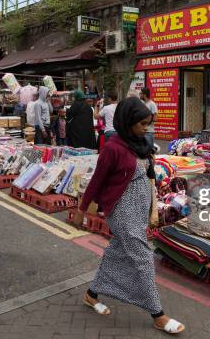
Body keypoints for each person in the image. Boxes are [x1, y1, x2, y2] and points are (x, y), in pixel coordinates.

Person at [73, 97, 185, 334]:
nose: (146, 128)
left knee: (116, 253)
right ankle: (158, 314)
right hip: (122, 210)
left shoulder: (141, 143)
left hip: (139, 208)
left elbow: (149, 176)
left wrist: (152, 207)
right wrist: (82, 210)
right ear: (127, 121)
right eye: (142, 123)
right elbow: (96, 181)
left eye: (148, 123)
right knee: (143, 259)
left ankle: (91, 295)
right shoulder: (112, 149)